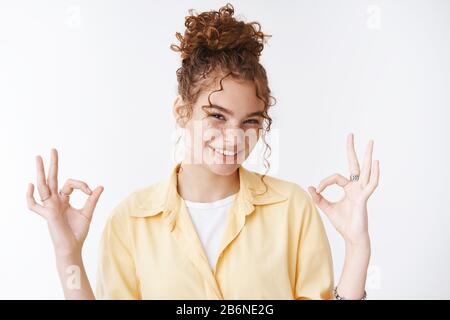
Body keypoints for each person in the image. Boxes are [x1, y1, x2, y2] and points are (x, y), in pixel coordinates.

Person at [26, 3, 379, 300]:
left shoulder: (293, 210)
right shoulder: (130, 221)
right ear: (182, 111)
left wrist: (357, 248)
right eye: (217, 116)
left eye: (250, 121)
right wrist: (67, 253)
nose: (234, 137)